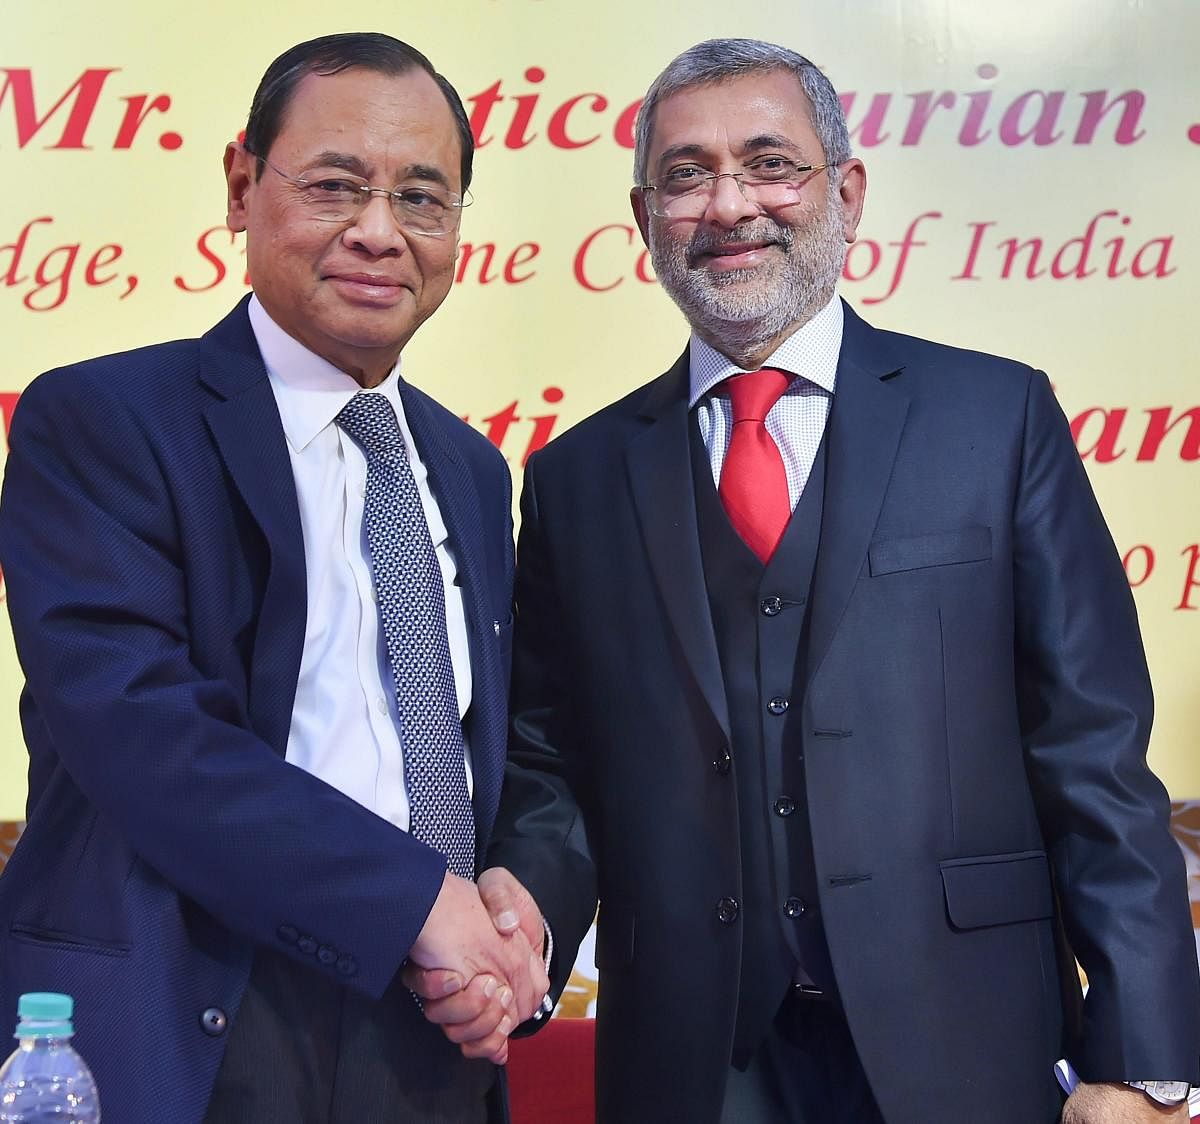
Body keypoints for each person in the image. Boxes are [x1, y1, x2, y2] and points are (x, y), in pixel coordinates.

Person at [419, 37, 1200, 1124]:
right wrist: (528, 918)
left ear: (848, 191)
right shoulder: (574, 477)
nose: (729, 202)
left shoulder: (995, 420)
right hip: (691, 1061)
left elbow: (1094, 750)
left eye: (770, 162)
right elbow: (554, 764)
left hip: (970, 1038)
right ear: (646, 217)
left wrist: (1149, 1055)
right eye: (686, 174)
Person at [0, 32, 548, 1124]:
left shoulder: (474, 469)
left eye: (422, 198)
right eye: (336, 185)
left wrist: (517, 911)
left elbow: (514, 740)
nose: (380, 232)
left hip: (433, 1031)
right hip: (193, 1020)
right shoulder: (104, 421)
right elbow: (143, 732)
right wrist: (408, 902)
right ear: (243, 184)